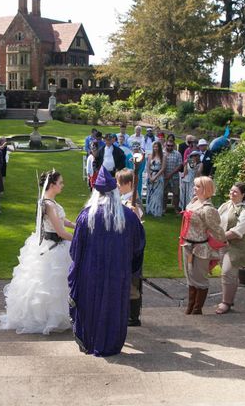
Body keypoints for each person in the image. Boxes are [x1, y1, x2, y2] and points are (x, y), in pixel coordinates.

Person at [68, 167, 145, 356]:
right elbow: (138, 246)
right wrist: (130, 266)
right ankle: (111, 344)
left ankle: (90, 340)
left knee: (91, 304)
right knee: (114, 305)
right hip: (118, 272)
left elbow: (75, 249)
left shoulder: (86, 216)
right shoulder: (128, 216)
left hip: (90, 271)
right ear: (114, 191)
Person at [0, 170, 75, 334]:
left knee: (53, 284)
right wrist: (79, 239)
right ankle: (49, 318)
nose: (63, 185)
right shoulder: (49, 204)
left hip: (48, 244)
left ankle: (57, 316)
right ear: (52, 184)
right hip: (54, 247)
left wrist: (78, 225)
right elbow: (60, 232)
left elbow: (63, 220)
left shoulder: (48, 202)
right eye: (60, 182)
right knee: (52, 285)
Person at [179, 176, 226, 315]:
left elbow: (217, 229)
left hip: (200, 248)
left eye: (198, 186)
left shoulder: (208, 209)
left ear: (206, 189)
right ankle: (190, 306)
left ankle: (197, 309)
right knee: (190, 277)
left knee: (199, 278)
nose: (194, 188)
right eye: (195, 185)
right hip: (187, 244)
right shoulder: (193, 202)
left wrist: (223, 242)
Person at [216, 182, 245, 314]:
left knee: (227, 273)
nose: (231, 193)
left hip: (238, 247)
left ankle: (225, 303)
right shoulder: (226, 205)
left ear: (243, 195)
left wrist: (216, 238)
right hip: (224, 244)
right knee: (231, 274)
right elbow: (216, 219)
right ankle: (229, 300)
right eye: (231, 191)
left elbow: (237, 232)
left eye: (235, 192)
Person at [116, 168, 144, 327]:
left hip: (131, 249)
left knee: (132, 281)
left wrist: (134, 212)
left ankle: (133, 316)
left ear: (128, 184)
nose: (117, 186)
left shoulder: (134, 202)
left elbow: (138, 216)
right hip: (121, 246)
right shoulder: (121, 199)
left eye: (119, 183)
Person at [145, 141, 165, 217]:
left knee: (158, 194)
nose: (155, 148)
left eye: (157, 147)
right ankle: (149, 211)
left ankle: (156, 212)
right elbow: (147, 167)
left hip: (159, 176)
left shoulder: (163, 156)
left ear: (159, 147)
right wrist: (150, 177)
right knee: (150, 194)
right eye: (154, 146)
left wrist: (155, 177)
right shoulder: (150, 156)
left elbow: (163, 168)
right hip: (150, 175)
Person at [163, 140, 183, 213]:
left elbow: (179, 165)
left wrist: (170, 174)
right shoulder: (162, 153)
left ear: (174, 146)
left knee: (176, 193)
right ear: (166, 145)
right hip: (164, 177)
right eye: (168, 145)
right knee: (164, 193)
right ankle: (163, 209)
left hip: (174, 177)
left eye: (171, 146)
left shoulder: (178, 154)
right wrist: (165, 174)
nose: (170, 147)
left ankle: (176, 209)